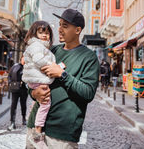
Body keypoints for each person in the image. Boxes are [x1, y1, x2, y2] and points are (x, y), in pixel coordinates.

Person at [26, 8, 100, 149]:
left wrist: (62, 74)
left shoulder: (89, 57)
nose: (59, 29)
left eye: (65, 26)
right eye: (59, 24)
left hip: (62, 134)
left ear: (77, 30)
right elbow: (31, 76)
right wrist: (34, 93)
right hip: (35, 127)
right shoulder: (51, 50)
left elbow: (88, 93)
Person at [22, 21, 56, 148]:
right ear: (34, 33)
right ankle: (37, 132)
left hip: (35, 79)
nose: (44, 35)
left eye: (47, 33)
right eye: (41, 32)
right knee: (46, 104)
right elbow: (39, 60)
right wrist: (52, 66)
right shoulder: (37, 46)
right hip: (38, 80)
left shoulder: (39, 46)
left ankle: (32, 115)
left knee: (39, 102)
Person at [8, 55, 28, 131]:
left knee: (23, 104)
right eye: (23, 59)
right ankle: (12, 122)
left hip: (23, 89)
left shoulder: (28, 67)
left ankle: (23, 118)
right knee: (13, 105)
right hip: (15, 88)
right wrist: (10, 83)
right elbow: (9, 75)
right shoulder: (15, 66)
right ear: (21, 59)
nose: (24, 61)